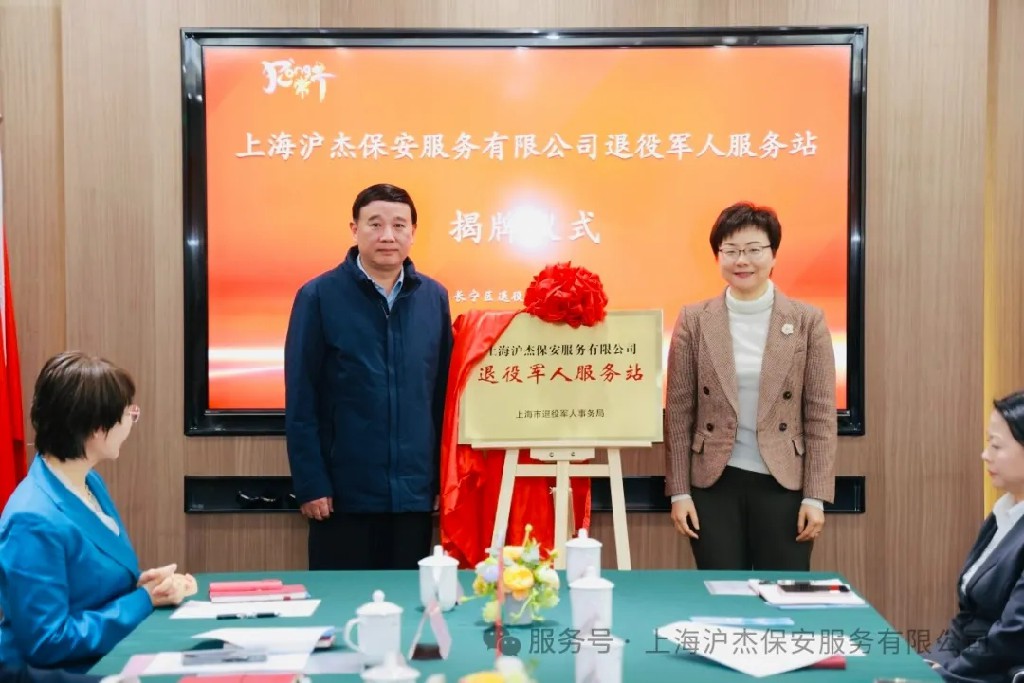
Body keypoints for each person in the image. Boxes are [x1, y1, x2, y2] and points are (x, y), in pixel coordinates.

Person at [285, 182, 453, 570]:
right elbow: (301, 398)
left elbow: (441, 397)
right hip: (341, 497)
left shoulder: (433, 298)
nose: (387, 236)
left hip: (413, 495)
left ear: (413, 232)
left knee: (410, 603)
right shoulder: (318, 296)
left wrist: (441, 481)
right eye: (375, 224)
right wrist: (311, 483)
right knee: (343, 603)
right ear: (354, 229)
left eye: (399, 225)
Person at [664, 201, 838, 570]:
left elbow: (821, 415)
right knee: (721, 592)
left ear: (773, 255)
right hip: (713, 484)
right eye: (730, 250)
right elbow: (679, 413)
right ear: (718, 256)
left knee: (782, 591)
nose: (742, 260)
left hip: (784, 483)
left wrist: (815, 497)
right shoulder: (694, 320)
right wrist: (679, 491)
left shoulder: (807, 321)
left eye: (754, 249)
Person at [0, 352, 195, 671]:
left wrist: (142, 586)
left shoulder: (89, 481)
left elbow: (88, 586)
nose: (131, 422)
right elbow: (46, 642)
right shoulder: (31, 518)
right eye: (128, 414)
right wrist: (143, 599)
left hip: (101, 657)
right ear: (96, 428)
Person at [924, 390, 1024, 683]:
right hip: (971, 664)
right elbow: (967, 618)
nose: (985, 455)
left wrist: (946, 672)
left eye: (996, 445)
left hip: (1000, 672)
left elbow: (1012, 636)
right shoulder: (1003, 513)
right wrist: (931, 662)